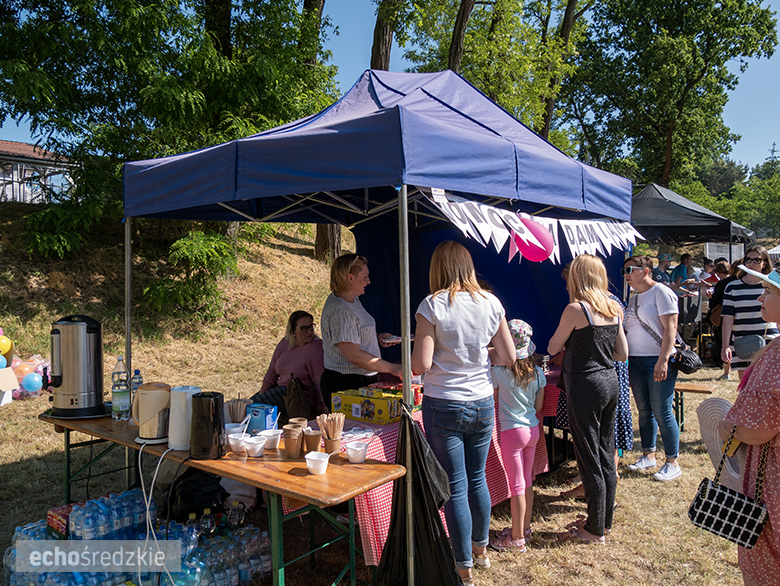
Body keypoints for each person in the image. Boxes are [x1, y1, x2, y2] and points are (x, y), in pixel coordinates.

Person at [411, 241, 514, 585]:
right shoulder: (491, 303)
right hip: (482, 400)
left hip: (443, 402)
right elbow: (508, 356)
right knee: (476, 478)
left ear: (437, 268)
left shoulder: (432, 305)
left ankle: (463, 566)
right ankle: (480, 550)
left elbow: (421, 364)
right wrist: (482, 358)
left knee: (456, 487)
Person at [548, 254, 627, 543]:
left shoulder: (575, 309)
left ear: (577, 277)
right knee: (606, 452)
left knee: (589, 456)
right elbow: (622, 354)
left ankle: (594, 530)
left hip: (584, 384)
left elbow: (553, 345)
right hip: (610, 381)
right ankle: (602, 521)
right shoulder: (613, 306)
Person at [718, 264, 780, 586]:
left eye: (768, 291)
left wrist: (727, 430)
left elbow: (761, 430)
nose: (760, 297)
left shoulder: (778, 355)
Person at [622, 255, 683, 481]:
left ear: (645, 271)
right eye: (624, 271)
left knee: (662, 410)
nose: (626, 274)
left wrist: (663, 360)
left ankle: (672, 461)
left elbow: (671, 329)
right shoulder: (634, 297)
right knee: (644, 410)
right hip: (636, 361)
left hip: (656, 359)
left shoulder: (662, 292)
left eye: (630, 270)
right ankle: (648, 455)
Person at [489, 319, 545, 553]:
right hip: (533, 430)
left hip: (512, 433)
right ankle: (525, 527)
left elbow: (493, 400)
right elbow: (540, 406)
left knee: (516, 487)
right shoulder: (538, 373)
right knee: (527, 481)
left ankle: (516, 538)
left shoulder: (499, 373)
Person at [320, 253, 402, 410]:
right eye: (365, 277)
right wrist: (392, 368)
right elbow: (354, 355)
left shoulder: (351, 300)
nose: (369, 281)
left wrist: (376, 337)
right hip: (346, 384)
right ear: (350, 278)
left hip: (358, 381)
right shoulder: (341, 310)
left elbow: (353, 335)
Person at [250, 310, 326, 421]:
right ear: (293, 331)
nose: (309, 331)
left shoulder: (315, 347)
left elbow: (320, 380)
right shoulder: (285, 343)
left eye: (311, 327)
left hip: (300, 396)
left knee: (255, 407)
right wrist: (261, 394)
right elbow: (271, 372)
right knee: (249, 405)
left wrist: (324, 408)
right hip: (281, 390)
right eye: (304, 328)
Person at [721, 245, 779, 381]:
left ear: (764, 262)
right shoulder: (732, 287)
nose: (752, 263)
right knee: (746, 386)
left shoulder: (772, 285)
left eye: (757, 260)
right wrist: (725, 346)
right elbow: (728, 318)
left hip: (769, 340)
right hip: (743, 342)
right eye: (748, 259)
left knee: (770, 383)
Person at [706, 260, 734, 379]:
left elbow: (716, 298)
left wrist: (710, 295)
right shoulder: (733, 281)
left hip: (722, 316)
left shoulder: (722, 283)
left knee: (723, 342)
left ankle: (725, 370)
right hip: (733, 316)